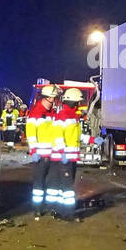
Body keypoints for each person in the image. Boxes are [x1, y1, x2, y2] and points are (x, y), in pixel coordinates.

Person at [49, 87, 84, 220]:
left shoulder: (72, 116)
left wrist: (93, 140)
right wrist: (63, 152)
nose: (79, 104)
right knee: (67, 187)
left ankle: (58, 210)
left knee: (63, 185)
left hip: (70, 157)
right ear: (74, 102)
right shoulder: (63, 116)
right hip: (65, 158)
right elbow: (58, 137)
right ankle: (68, 214)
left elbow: (77, 136)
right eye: (78, 102)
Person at [25, 84, 58, 218]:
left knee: (51, 183)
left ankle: (50, 207)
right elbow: (31, 134)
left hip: (52, 154)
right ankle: (37, 208)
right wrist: (34, 151)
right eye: (53, 98)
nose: (54, 101)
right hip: (40, 155)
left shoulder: (51, 113)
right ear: (47, 98)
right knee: (39, 183)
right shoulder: (35, 112)